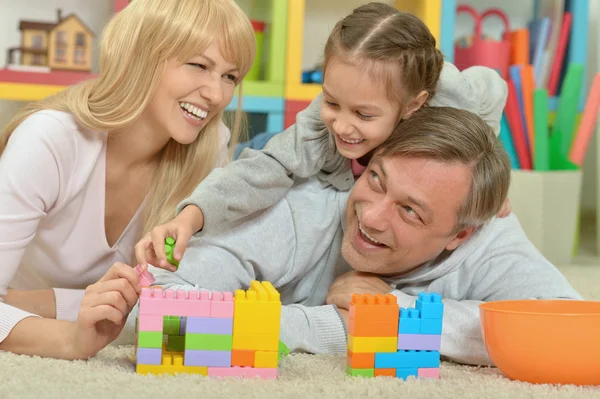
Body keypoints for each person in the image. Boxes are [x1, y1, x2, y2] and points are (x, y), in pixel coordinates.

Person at [139, 107, 582, 366]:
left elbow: (568, 334)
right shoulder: (302, 211)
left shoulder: (490, 239)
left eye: (409, 210)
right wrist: (321, 327)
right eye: (375, 178)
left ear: (461, 234)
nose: (370, 216)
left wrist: (391, 311)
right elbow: (159, 318)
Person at [135, 2, 509, 270]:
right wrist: (192, 216)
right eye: (332, 101)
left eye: (364, 114)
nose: (343, 125)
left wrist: (485, 176)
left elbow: (495, 88)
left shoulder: (453, 97)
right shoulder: (319, 125)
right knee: (261, 167)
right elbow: (266, 167)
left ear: (414, 105)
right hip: (274, 145)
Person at [0, 0, 256, 359]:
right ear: (141, 57)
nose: (216, 95)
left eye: (230, 76)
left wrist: (36, 303)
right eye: (199, 65)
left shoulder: (208, 150)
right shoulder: (51, 139)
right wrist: (70, 338)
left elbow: (190, 300)